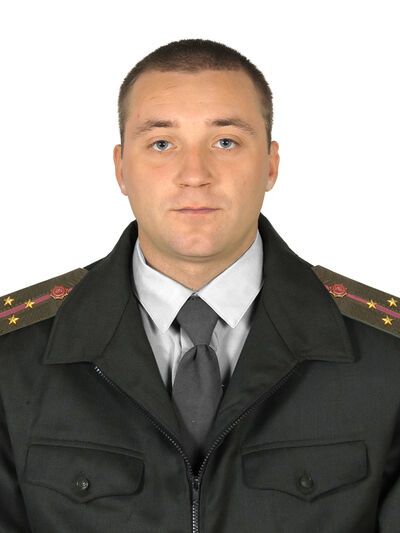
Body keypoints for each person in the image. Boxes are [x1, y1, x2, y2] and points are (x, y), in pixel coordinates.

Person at [0, 38, 399, 533]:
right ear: (121, 168)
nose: (195, 175)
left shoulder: (387, 357)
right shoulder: (12, 357)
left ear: (270, 165)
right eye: (162, 144)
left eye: (225, 142)